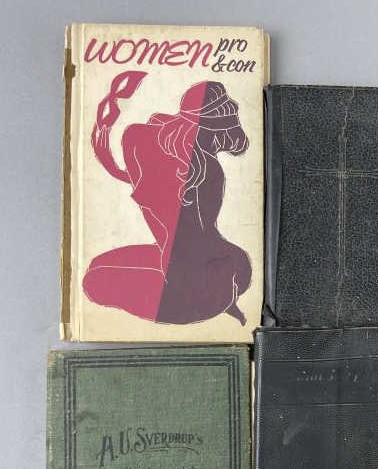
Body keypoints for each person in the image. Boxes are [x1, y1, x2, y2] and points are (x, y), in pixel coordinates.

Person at [83, 71, 252, 325]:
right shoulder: (201, 167)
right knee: (97, 266)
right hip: (221, 268)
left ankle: (219, 295)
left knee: (93, 279)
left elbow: (187, 238)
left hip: (196, 289)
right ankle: (222, 291)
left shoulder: (180, 164)